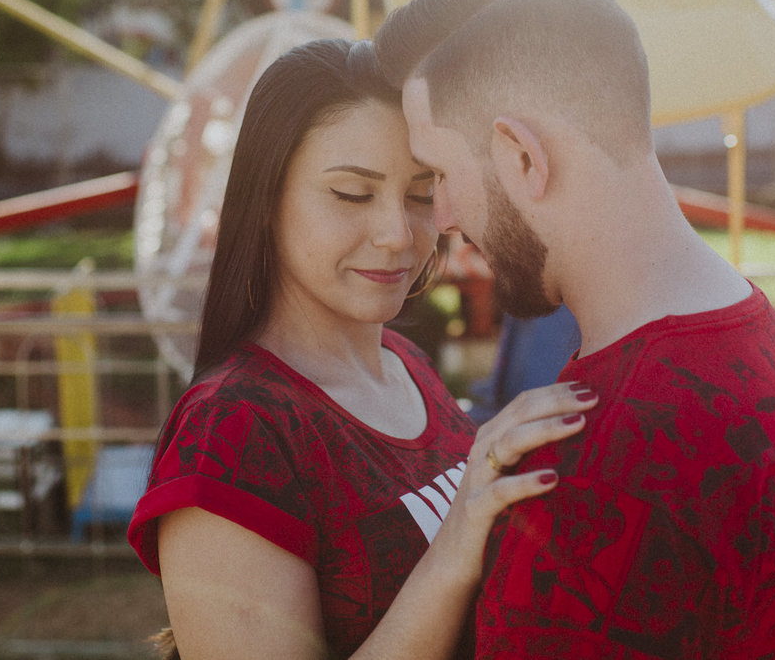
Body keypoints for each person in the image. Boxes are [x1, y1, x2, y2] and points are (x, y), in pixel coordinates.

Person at [373, 0, 775, 658]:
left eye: (440, 172)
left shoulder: (591, 476)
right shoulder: (761, 335)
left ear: (522, 157)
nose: (440, 215)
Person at [127, 38, 598, 660]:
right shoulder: (235, 428)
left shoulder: (407, 366)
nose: (397, 233)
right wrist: (455, 548)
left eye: (422, 194)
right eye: (352, 194)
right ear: (265, 200)